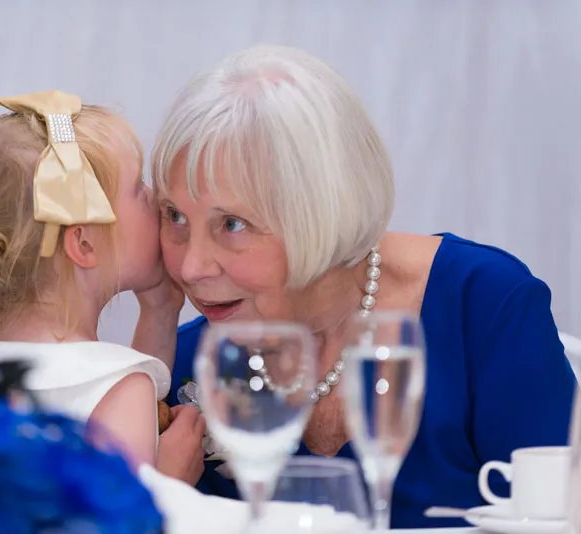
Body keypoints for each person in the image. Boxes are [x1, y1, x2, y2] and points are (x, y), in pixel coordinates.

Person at [148, 45, 577, 527]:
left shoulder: (483, 310)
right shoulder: (185, 368)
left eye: (231, 223)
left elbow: (559, 520)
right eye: (174, 216)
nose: (190, 265)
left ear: (321, 211)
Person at [0, 89, 202, 485]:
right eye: (138, 189)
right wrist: (172, 485)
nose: (156, 199)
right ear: (84, 243)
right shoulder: (119, 390)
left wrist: (160, 311)